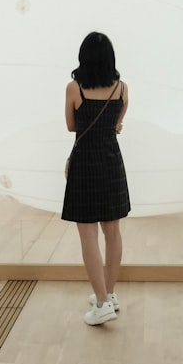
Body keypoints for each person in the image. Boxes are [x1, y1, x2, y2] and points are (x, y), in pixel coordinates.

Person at [62, 31, 130, 325]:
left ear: (83, 57)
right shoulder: (122, 89)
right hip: (112, 162)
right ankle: (109, 295)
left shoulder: (74, 88)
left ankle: (101, 304)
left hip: (85, 164)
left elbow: (70, 126)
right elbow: (116, 126)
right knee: (112, 231)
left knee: (87, 234)